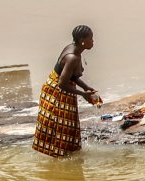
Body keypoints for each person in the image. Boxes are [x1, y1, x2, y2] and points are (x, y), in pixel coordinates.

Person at [33, 25, 102, 157]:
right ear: (82, 41)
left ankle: (66, 152)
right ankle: (59, 155)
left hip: (62, 87)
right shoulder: (72, 57)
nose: (93, 41)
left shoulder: (75, 49)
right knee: (60, 125)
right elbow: (62, 84)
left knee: (67, 124)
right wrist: (83, 94)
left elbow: (72, 76)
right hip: (57, 92)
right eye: (91, 39)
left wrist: (85, 87)